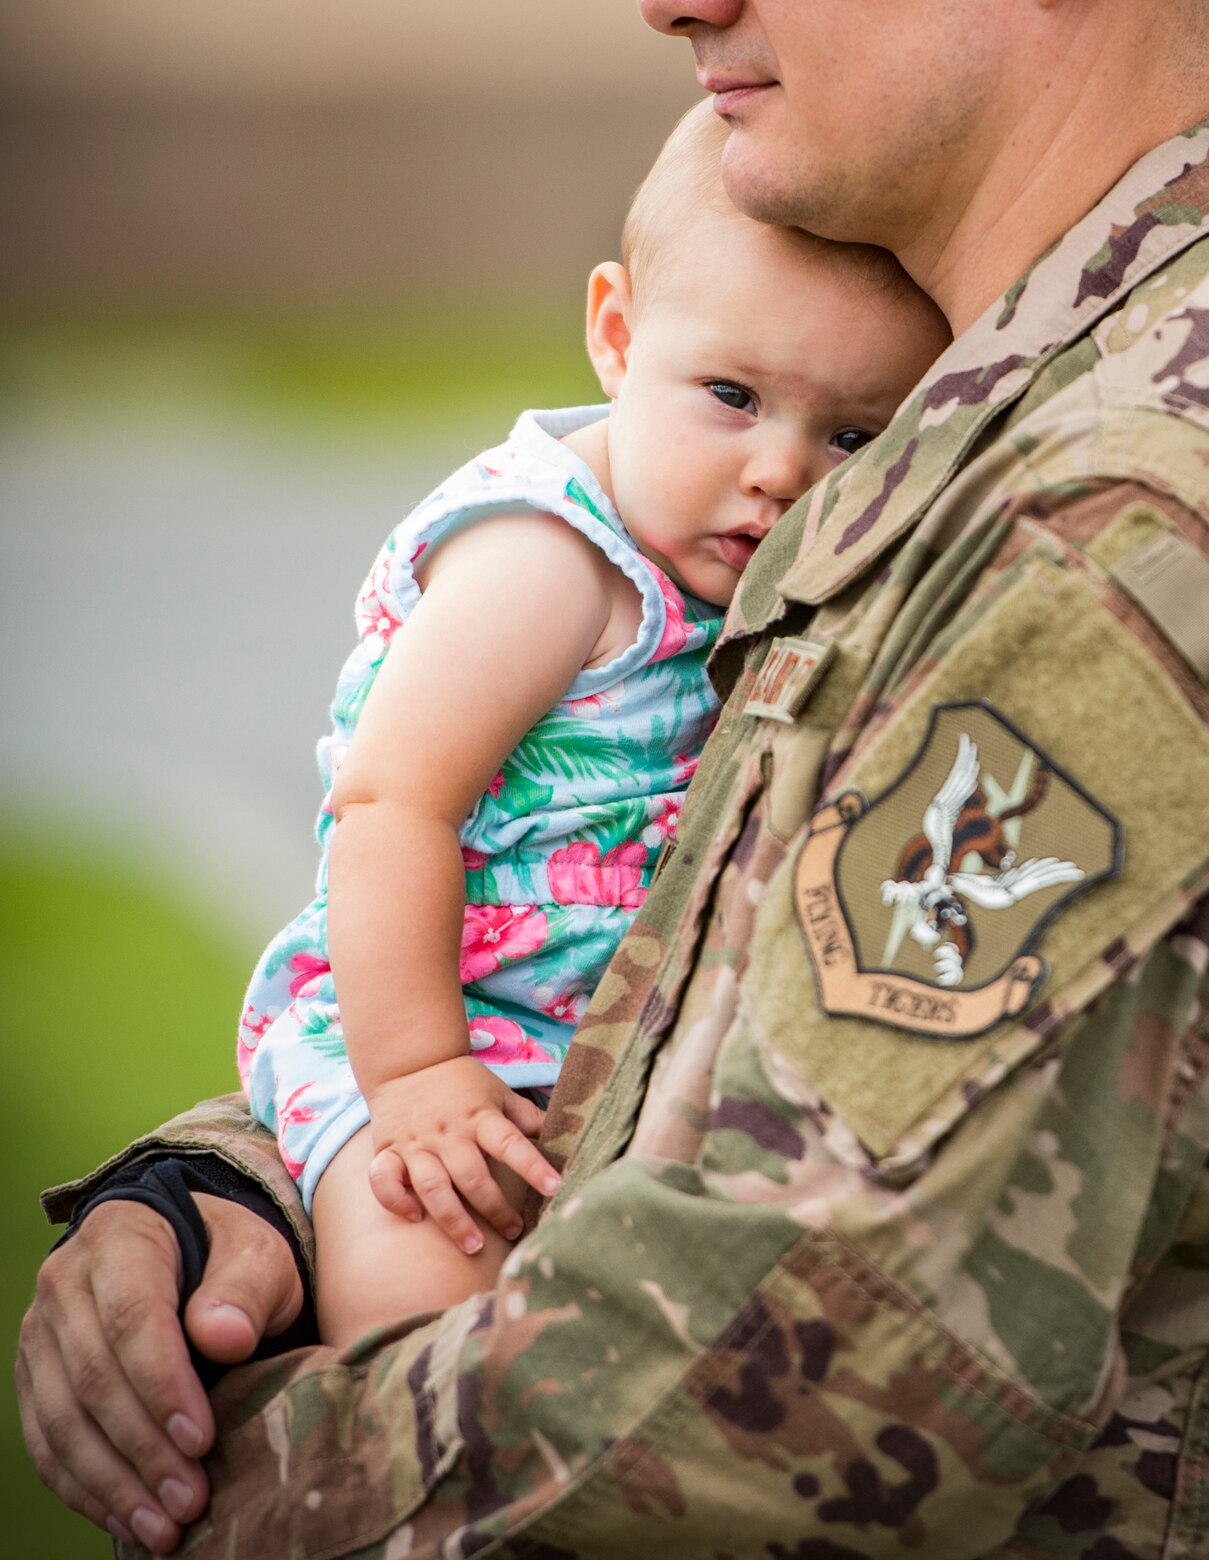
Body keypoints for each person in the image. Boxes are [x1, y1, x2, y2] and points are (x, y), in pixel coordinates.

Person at [17, 0, 1209, 1557]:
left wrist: (216, 1458)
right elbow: (678, 1006)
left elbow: (754, 1414)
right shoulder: (1005, 404)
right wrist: (246, 1188)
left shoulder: (1143, 521)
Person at [236, 99, 949, 1346]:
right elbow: (390, 800)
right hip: (427, 1025)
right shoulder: (546, 561)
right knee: (425, 1280)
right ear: (616, 336)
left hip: (591, 1050)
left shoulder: (751, 573)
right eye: (730, 394)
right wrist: (415, 1074)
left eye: (851, 434)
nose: (782, 470)